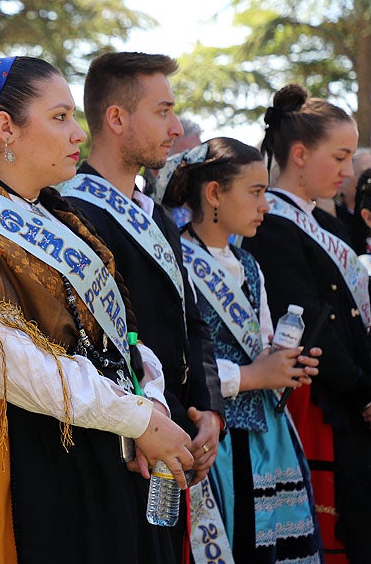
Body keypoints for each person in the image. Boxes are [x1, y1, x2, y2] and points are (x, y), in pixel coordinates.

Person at [0, 52, 192, 563]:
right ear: (6, 128)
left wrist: (155, 402)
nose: (78, 133)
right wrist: (138, 416)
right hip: (30, 467)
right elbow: (10, 366)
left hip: (107, 446)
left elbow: (123, 336)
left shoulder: (61, 218)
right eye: (60, 118)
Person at [60, 51, 225, 559]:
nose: (175, 127)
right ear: (116, 118)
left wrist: (210, 411)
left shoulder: (157, 215)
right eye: (163, 111)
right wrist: (138, 426)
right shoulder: (68, 212)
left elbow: (188, 320)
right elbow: (83, 341)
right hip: (117, 444)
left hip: (176, 436)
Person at [157, 138, 322, 562]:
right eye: (255, 192)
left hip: (266, 439)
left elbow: (262, 341)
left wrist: (285, 364)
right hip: (217, 437)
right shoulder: (176, 259)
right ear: (214, 193)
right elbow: (179, 357)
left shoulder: (249, 264)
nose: (264, 205)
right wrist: (253, 376)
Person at [241, 83, 371, 563]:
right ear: (299, 154)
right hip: (323, 405)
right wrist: (362, 392)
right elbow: (312, 318)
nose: (346, 171)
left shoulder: (330, 225)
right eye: (339, 157)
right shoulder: (271, 224)